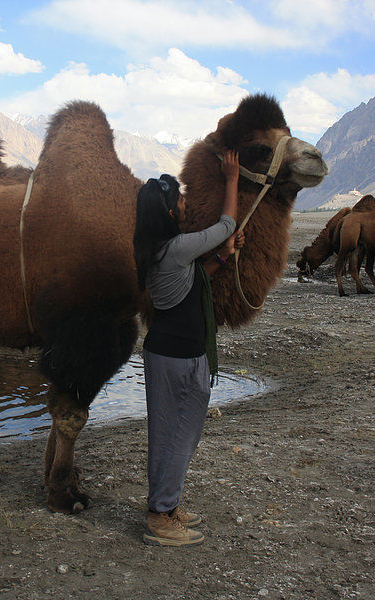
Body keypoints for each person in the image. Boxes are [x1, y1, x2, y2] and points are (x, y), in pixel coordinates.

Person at [133, 150, 243, 546]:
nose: (185, 205)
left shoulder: (161, 251)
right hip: (178, 360)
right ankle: (161, 517)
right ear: (166, 211)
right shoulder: (175, 247)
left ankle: (166, 502)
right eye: (178, 200)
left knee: (172, 434)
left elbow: (191, 281)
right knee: (178, 436)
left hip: (171, 355)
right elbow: (228, 223)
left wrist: (221, 256)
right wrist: (231, 179)